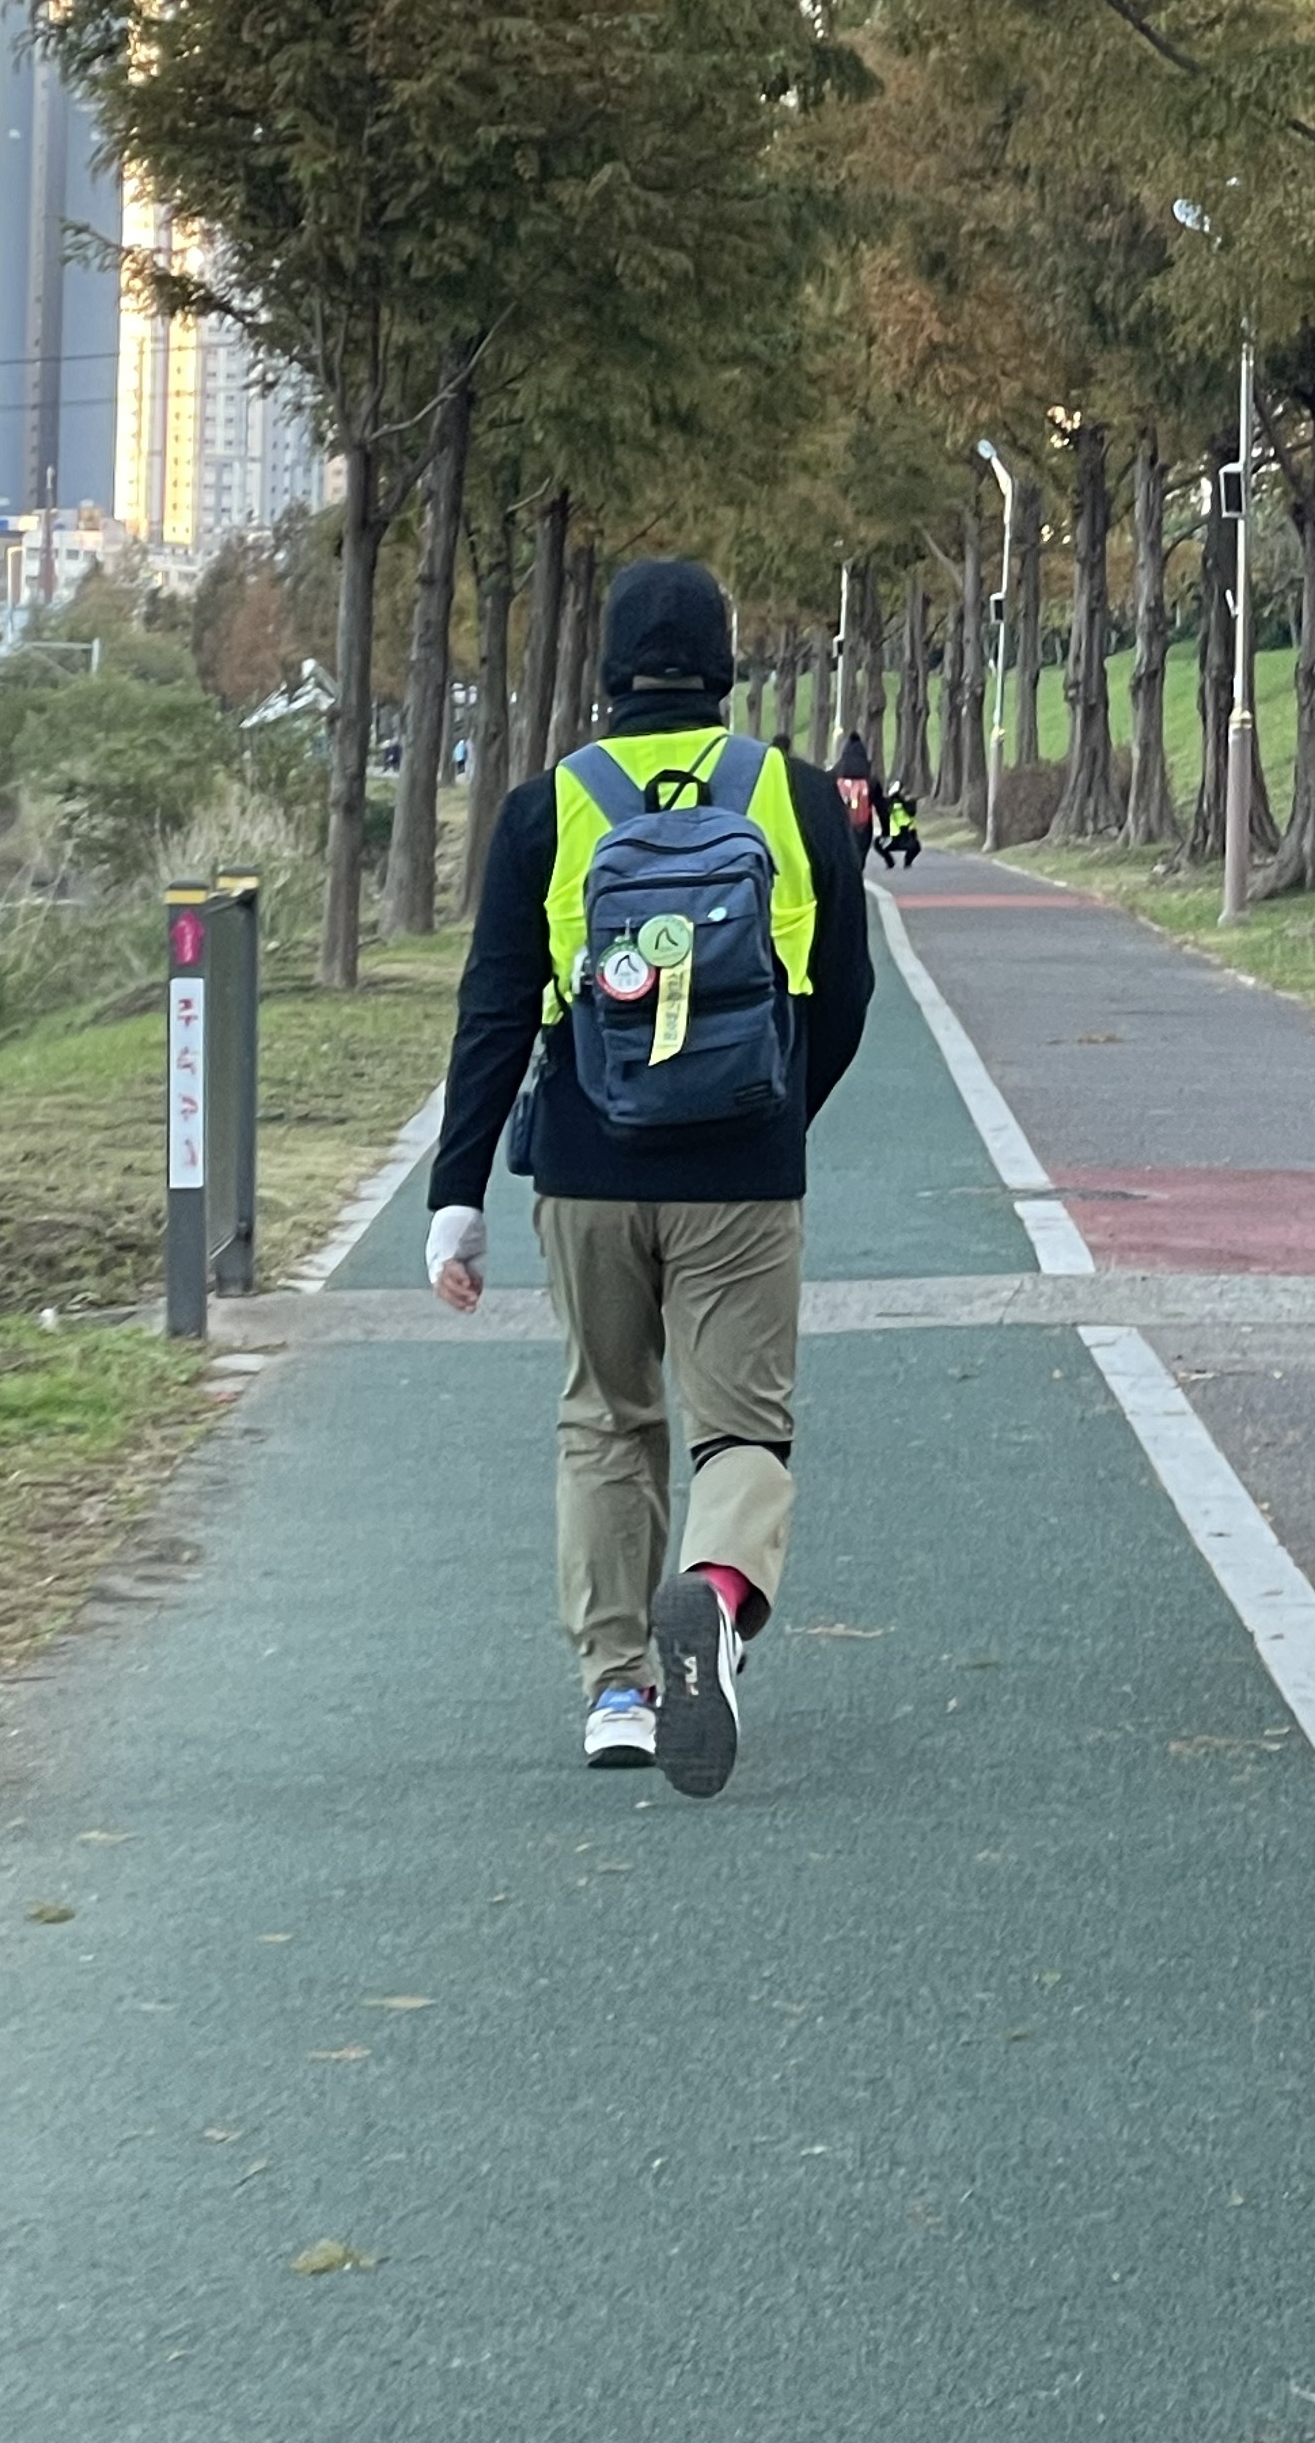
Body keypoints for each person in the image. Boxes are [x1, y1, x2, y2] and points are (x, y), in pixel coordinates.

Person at [424, 557, 871, 1797]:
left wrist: (457, 1194)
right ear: (724, 667)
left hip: (586, 1164)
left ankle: (618, 1690)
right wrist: (779, 1117)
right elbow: (846, 992)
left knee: (606, 1418)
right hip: (743, 1164)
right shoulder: (792, 795)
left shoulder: (547, 807)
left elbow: (494, 1009)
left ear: (608, 669)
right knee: (743, 1429)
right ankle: (715, 1597)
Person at [831, 725, 877, 859]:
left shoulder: (836, 775)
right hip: (863, 823)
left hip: (841, 821)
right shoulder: (869, 779)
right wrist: (886, 829)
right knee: (860, 850)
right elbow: (881, 805)